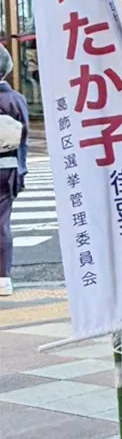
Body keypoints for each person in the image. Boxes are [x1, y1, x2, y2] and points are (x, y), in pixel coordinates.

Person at [0, 46, 28, 298]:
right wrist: (21, 171)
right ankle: (3, 278)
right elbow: (23, 138)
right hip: (7, 167)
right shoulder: (16, 99)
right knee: (2, 222)